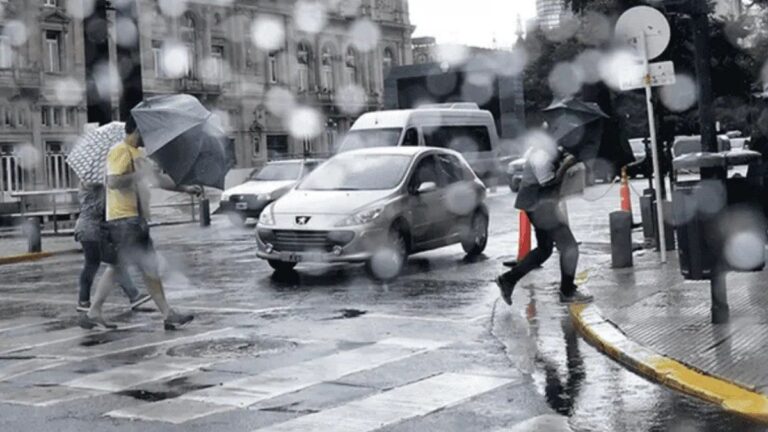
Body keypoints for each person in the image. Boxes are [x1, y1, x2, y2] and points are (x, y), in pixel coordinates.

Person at [79, 117, 199, 330]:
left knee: (138, 267)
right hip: (123, 219)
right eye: (146, 132)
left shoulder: (138, 154)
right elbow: (114, 182)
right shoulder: (119, 151)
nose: (149, 137)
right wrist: (137, 174)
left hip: (135, 219)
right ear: (136, 131)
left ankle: (95, 312)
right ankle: (96, 311)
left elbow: (158, 180)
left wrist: (186, 188)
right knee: (128, 266)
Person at [497, 143, 593, 305]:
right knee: (570, 248)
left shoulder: (551, 151)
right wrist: (565, 166)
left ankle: (508, 279)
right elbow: (547, 181)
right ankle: (567, 291)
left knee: (544, 249)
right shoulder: (541, 154)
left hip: (542, 205)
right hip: (539, 206)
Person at [73, 182, 150, 312]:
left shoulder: (89, 187)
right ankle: (83, 301)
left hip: (89, 230)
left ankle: (133, 295)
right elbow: (103, 210)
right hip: (91, 231)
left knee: (115, 263)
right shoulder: (95, 190)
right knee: (94, 264)